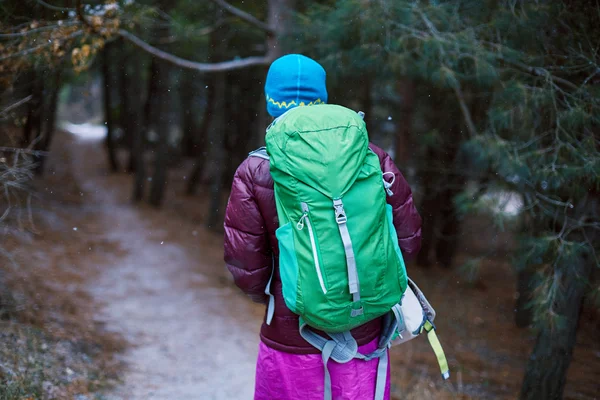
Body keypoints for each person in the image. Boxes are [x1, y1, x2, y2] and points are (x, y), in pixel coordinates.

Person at [224, 54, 422, 400]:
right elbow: (407, 240)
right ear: (322, 98)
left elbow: (247, 269)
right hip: (365, 332)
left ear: (272, 102)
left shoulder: (255, 169)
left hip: (291, 337)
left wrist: (285, 297)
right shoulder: (370, 157)